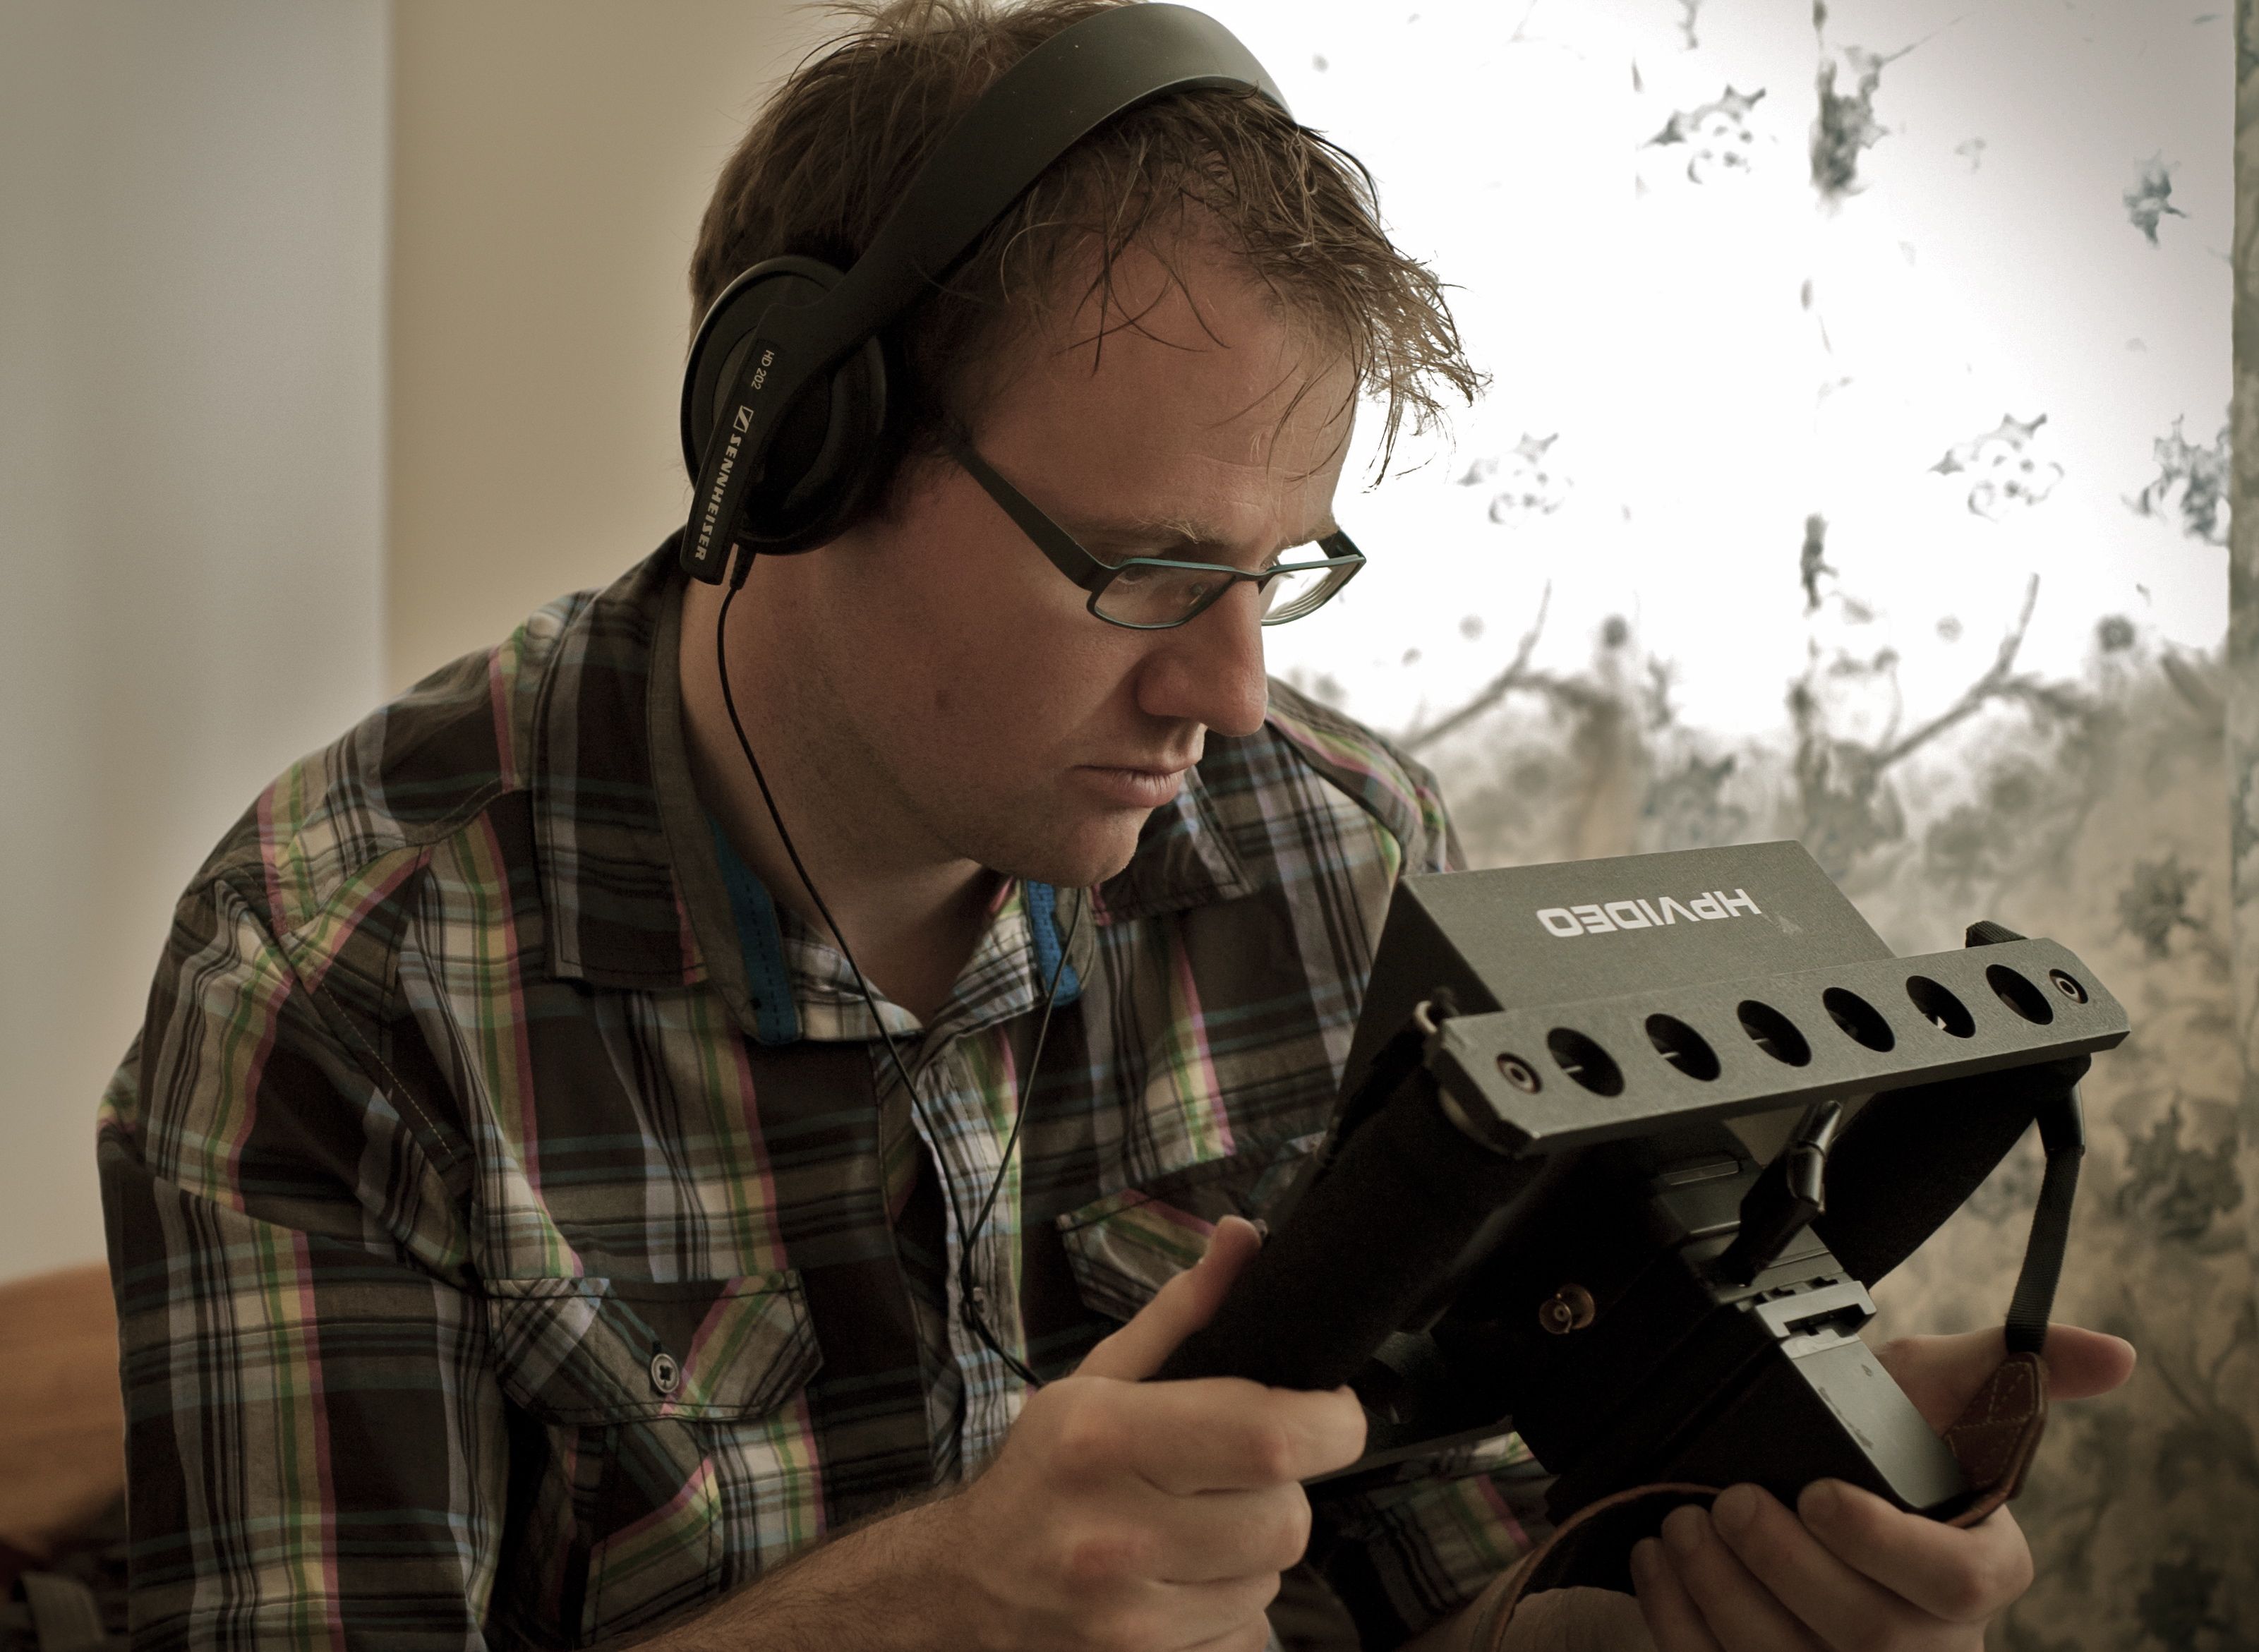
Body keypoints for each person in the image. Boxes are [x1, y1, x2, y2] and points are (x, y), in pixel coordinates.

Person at [97, 2, 2133, 1648]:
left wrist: (1660, 1594)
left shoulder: (1339, 857)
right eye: (1142, 570)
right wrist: (931, 1609)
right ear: (796, 452)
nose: (1229, 695)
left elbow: (1416, 1548)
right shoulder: (346, 974)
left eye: (1277, 573)